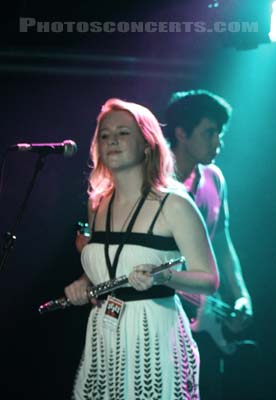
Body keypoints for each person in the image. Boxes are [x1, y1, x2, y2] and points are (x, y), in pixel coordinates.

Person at [65, 98, 219, 399]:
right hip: (105, 336)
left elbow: (210, 280)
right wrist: (84, 284)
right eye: (105, 135)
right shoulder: (98, 204)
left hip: (156, 336)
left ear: (147, 143)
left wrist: (163, 277)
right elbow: (111, 265)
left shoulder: (174, 203)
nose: (112, 141)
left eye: (123, 133)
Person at [164, 90, 254, 399]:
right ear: (181, 133)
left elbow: (223, 243)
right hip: (165, 317)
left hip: (206, 319)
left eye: (219, 133)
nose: (218, 141)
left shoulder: (215, 178)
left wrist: (242, 294)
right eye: (209, 132)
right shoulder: (155, 185)